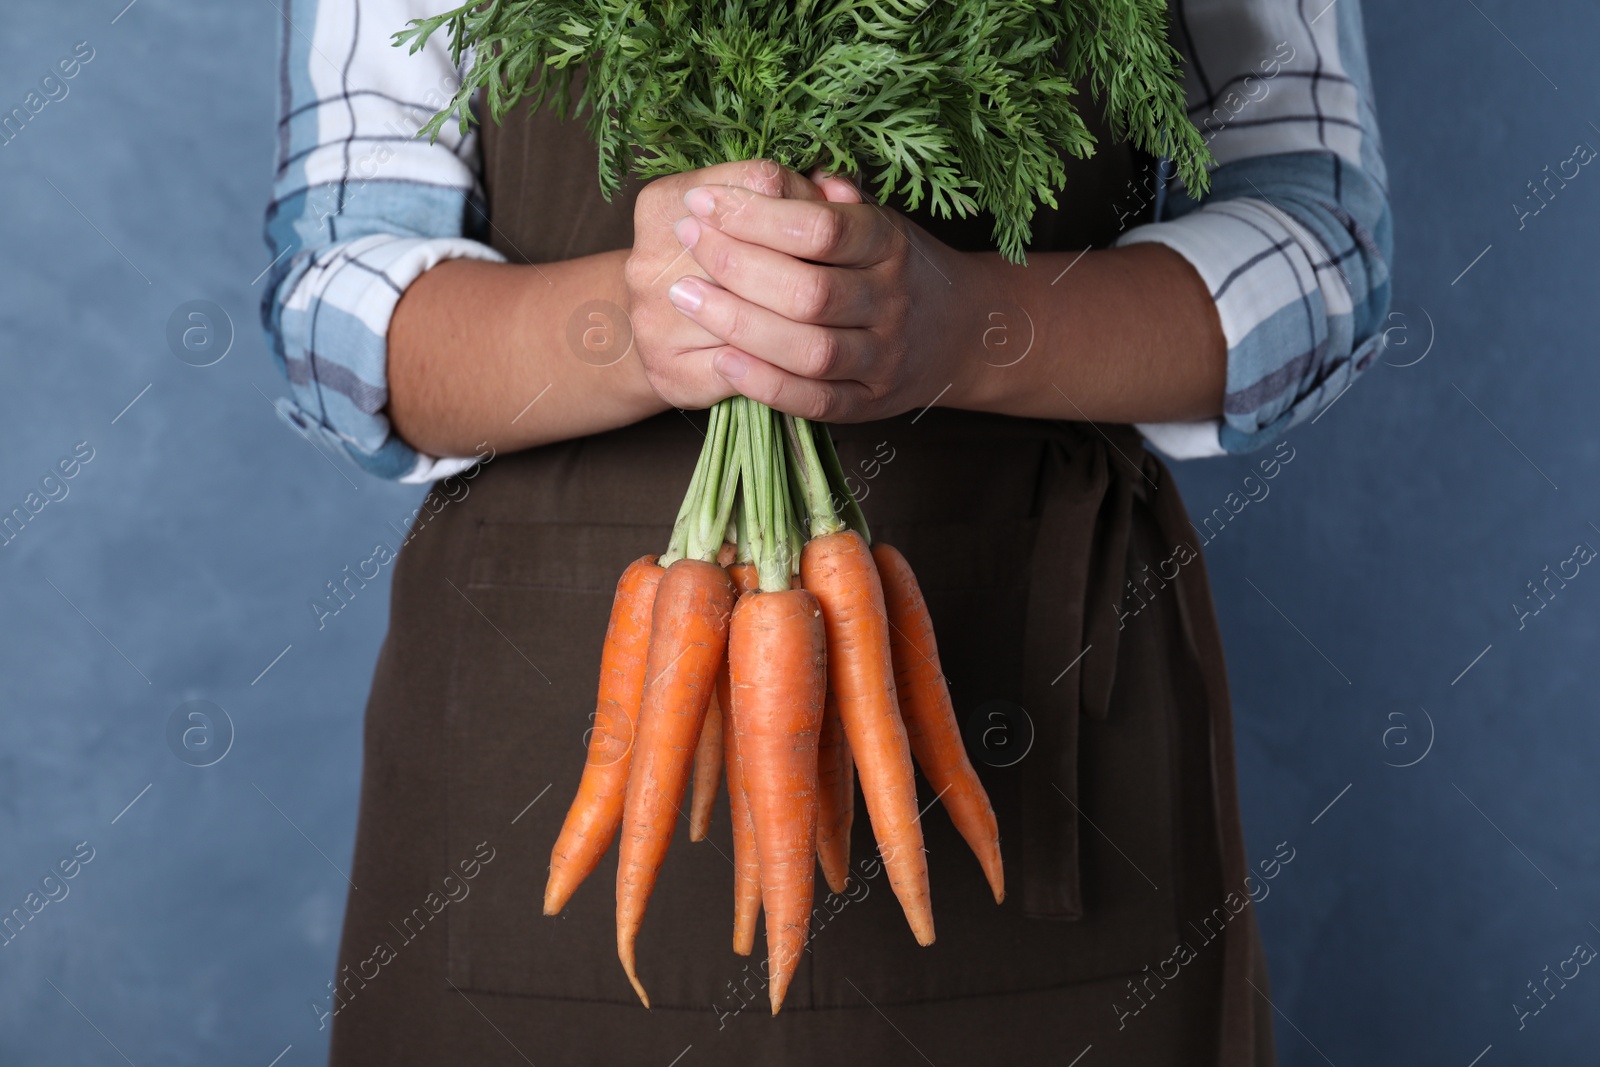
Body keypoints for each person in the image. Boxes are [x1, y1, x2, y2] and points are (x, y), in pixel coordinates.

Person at [263, 2, 1388, 1063]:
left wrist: (965, 327)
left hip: (1061, 727)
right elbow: (334, 318)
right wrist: (633, 324)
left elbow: (1322, 255)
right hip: (530, 731)